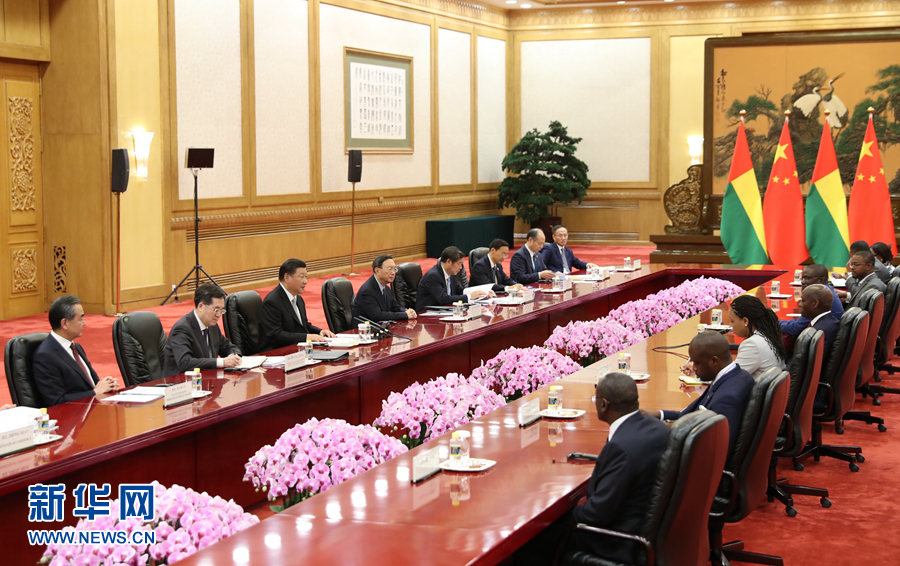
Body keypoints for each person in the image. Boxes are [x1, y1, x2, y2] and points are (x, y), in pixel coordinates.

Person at [515, 373, 669, 566]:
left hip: (616, 541)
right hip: (645, 529)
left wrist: (550, 519)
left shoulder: (620, 448)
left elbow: (597, 514)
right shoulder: (658, 427)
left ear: (603, 404)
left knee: (531, 541)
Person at [645, 331, 753, 457]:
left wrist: (671, 429)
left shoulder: (727, 398)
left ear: (714, 361)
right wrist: (659, 414)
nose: (694, 368)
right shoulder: (736, 376)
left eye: (697, 363)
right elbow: (687, 414)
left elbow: (718, 451)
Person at [33, 295, 119, 406]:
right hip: (74, 414)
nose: (84, 323)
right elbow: (57, 401)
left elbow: (90, 385)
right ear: (65, 323)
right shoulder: (45, 356)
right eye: (80, 319)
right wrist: (95, 392)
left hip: (94, 407)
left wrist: (107, 385)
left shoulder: (76, 347)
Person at [163, 284, 242, 377]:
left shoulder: (212, 325)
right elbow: (185, 362)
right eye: (216, 310)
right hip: (180, 382)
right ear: (201, 306)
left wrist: (234, 356)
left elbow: (227, 346)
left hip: (206, 379)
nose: (219, 315)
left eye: (222, 310)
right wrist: (222, 362)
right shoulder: (182, 328)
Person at [258, 259, 336, 352]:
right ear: (287, 277)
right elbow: (275, 335)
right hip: (276, 352)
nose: (305, 281)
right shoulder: (272, 302)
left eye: (306, 277)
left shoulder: (298, 299)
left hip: (296, 350)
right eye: (301, 277)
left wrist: (320, 331)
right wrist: (306, 337)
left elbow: (304, 326)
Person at [726, 295, 787, 380]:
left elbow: (730, 379)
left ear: (745, 321)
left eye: (732, 321)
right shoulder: (769, 336)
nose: (730, 325)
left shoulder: (752, 345)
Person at [416, 246, 489, 312]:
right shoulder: (433, 276)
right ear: (448, 262)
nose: (461, 267)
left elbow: (460, 291)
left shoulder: (451, 273)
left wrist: (481, 294)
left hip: (444, 311)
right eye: (459, 263)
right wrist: (469, 296)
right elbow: (443, 299)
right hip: (426, 314)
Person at [351, 254, 417, 322]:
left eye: (394, 269)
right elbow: (378, 316)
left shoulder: (386, 288)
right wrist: (405, 315)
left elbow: (395, 308)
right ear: (377, 271)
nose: (393, 273)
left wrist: (406, 311)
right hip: (365, 327)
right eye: (390, 269)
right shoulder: (367, 291)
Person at [792, 284, 840, 355]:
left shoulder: (817, 333)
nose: (800, 304)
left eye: (803, 301)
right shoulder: (832, 323)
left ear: (815, 304)